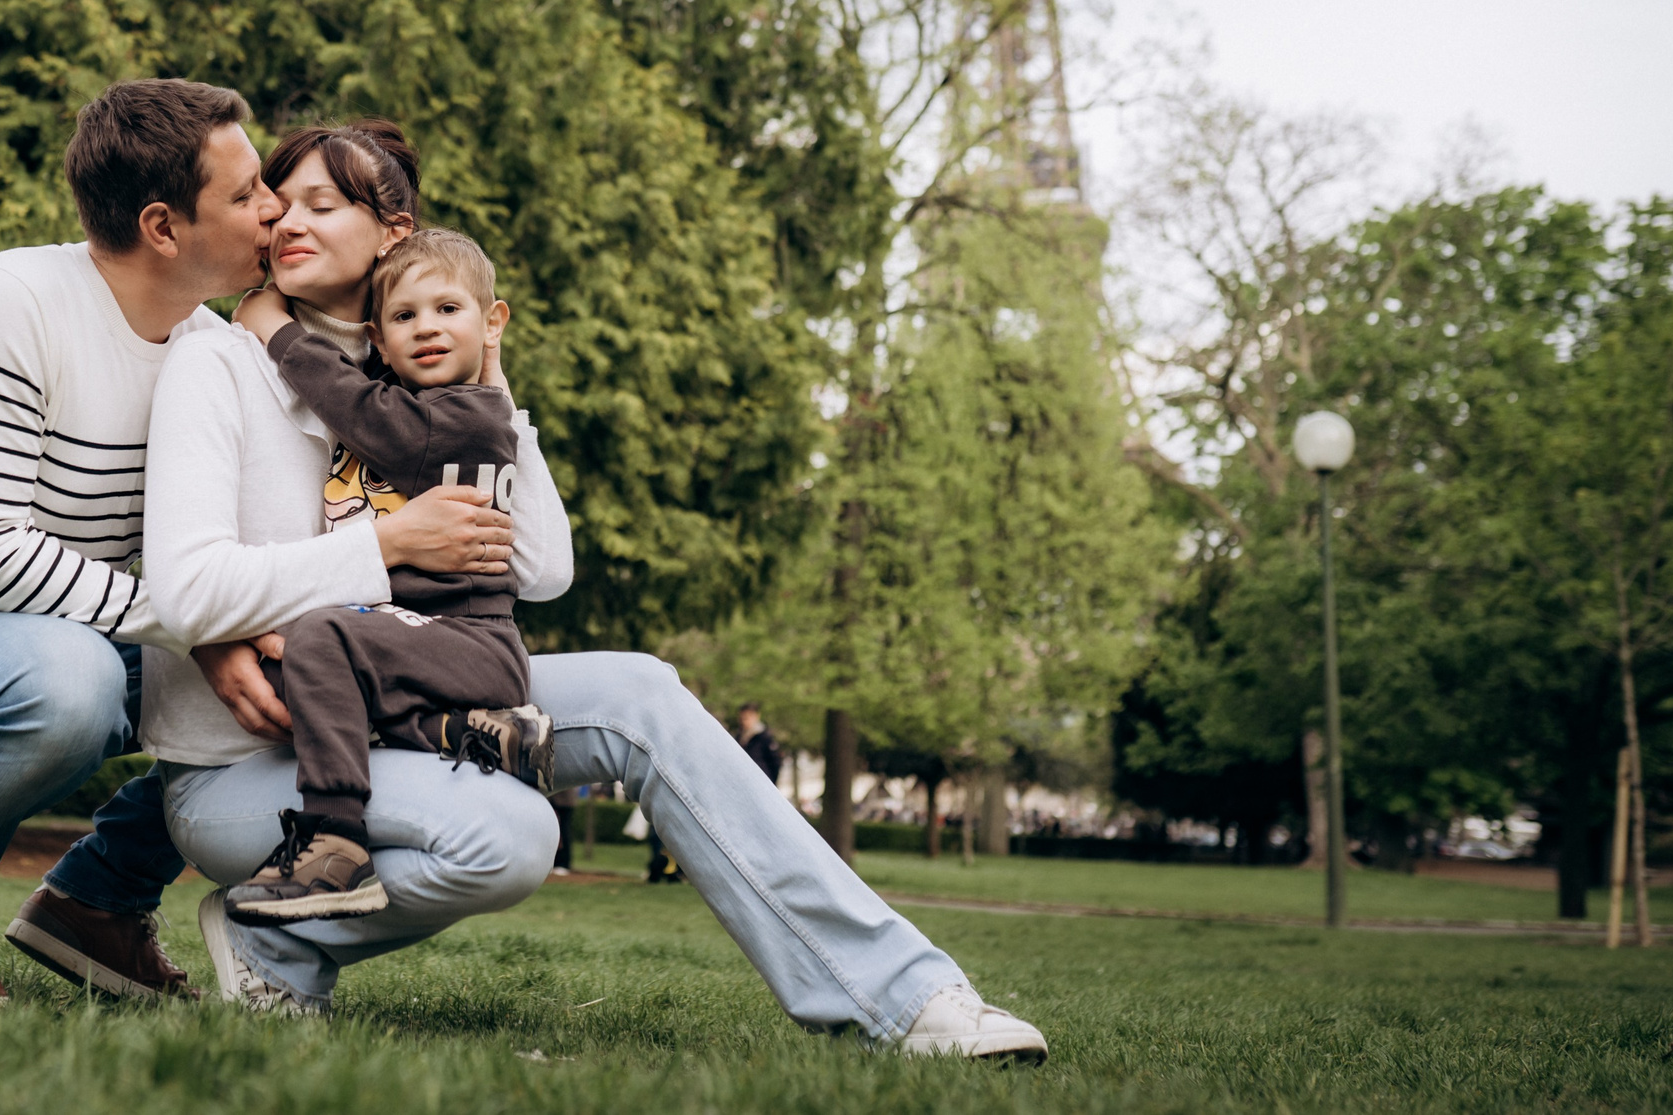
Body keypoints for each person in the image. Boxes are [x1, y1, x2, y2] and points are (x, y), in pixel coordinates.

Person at [131, 117, 1047, 1058]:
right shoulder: (220, 358)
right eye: (279, 204)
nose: (287, 223)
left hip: (402, 700)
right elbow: (189, 583)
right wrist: (390, 541)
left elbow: (542, 568)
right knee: (513, 835)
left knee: (642, 688)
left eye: (323, 205)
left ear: (394, 233)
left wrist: (496, 392)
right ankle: (273, 931)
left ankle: (906, 997)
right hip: (245, 769)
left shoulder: (415, 360)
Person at [0, 79, 337, 1009]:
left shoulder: (212, 348)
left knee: (303, 666)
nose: (276, 207)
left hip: (66, 635)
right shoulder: (6, 303)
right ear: (163, 227)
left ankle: (97, 898)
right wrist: (195, 625)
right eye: (247, 194)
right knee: (71, 683)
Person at [219, 228, 555, 921]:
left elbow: (361, 408)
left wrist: (276, 329)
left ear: (492, 321)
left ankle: (334, 840)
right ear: (379, 334)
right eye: (404, 317)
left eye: (448, 310)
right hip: (417, 639)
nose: (426, 328)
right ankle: (462, 733)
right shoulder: (412, 400)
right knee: (302, 682)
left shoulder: (468, 417)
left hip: (468, 639)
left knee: (323, 638)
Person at [735, 703, 781, 785]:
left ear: (756, 716)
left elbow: (775, 763)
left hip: (761, 782)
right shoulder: (739, 737)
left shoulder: (765, 738)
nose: (744, 721)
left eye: (747, 718)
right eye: (742, 718)